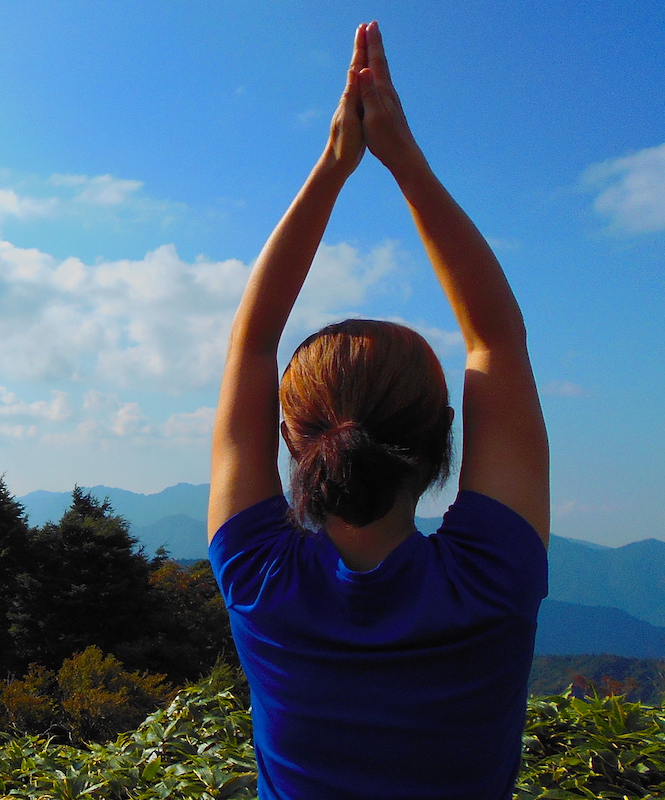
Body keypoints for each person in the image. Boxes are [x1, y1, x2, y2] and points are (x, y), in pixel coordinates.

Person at [207, 21, 550, 800]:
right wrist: (407, 164)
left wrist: (336, 166)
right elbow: (495, 338)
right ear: (445, 439)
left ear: (293, 442)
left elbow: (249, 347)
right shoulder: (492, 582)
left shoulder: (259, 579)